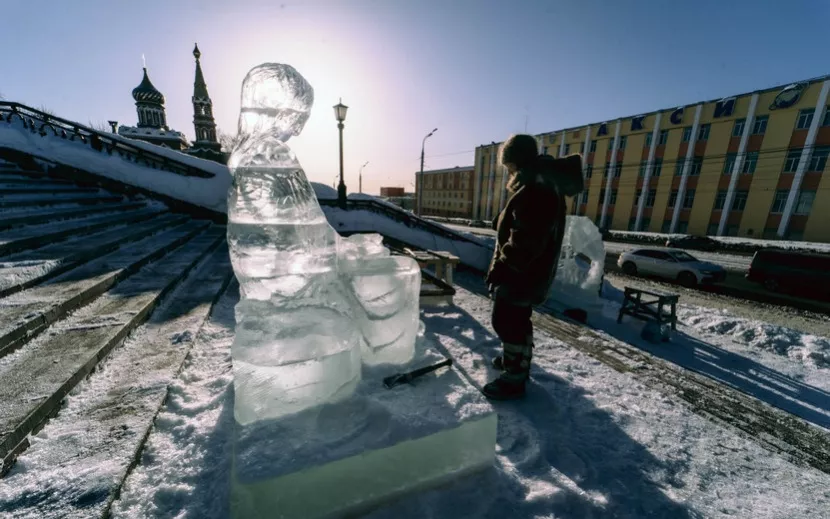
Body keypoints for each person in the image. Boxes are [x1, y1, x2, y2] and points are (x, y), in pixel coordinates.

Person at [483, 134, 584, 400]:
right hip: (530, 270)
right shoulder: (539, 182)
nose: (508, 170)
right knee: (518, 319)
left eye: (509, 165)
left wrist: (504, 266)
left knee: (506, 320)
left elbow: (528, 237)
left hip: (521, 271)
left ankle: (514, 379)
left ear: (518, 160)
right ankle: (516, 362)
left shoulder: (536, 186)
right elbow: (526, 222)